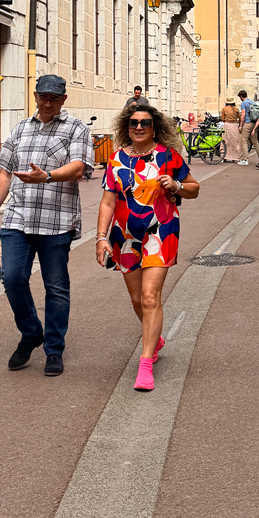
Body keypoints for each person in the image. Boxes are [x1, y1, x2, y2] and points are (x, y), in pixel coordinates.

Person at [0, 74, 94, 377]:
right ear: (35, 95)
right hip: (18, 218)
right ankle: (31, 332)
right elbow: (4, 173)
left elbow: (80, 167)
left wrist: (48, 176)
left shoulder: (76, 129)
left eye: (54, 98)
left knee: (56, 287)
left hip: (56, 221)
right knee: (12, 278)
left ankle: (54, 349)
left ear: (63, 100)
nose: (47, 102)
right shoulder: (19, 128)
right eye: (43, 96)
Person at [96, 100, 200, 392]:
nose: (139, 127)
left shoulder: (169, 157)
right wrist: (101, 237)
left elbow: (194, 189)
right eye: (133, 123)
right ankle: (154, 335)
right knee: (137, 300)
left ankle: (145, 361)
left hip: (161, 231)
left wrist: (176, 186)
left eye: (145, 123)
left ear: (155, 128)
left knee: (150, 297)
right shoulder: (116, 159)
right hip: (124, 235)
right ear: (126, 128)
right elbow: (108, 201)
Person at [220, 97, 247, 163]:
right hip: (234, 125)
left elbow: (222, 118)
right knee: (235, 141)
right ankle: (235, 157)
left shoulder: (224, 109)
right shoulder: (236, 109)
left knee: (225, 141)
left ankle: (224, 156)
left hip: (227, 125)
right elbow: (240, 117)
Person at [238, 89, 257, 160]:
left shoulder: (244, 103)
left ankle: (245, 158)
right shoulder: (252, 102)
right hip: (254, 122)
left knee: (244, 141)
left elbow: (243, 115)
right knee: (255, 142)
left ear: (241, 96)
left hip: (247, 122)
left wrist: (240, 126)